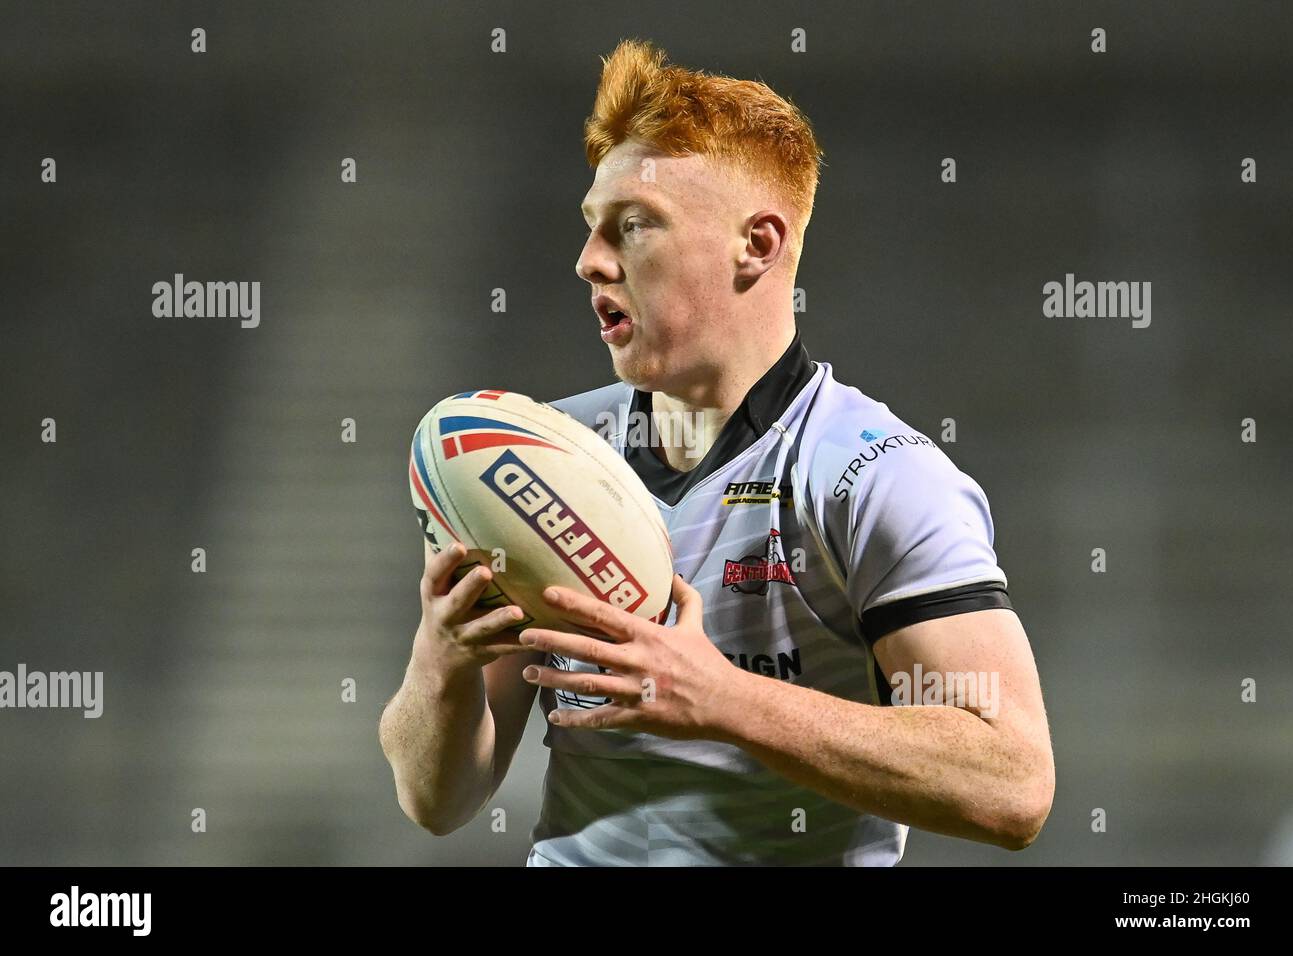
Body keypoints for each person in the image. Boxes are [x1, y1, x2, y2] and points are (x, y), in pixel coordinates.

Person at [380, 39, 1054, 865]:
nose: (590, 260)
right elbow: (436, 799)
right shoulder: (539, 462)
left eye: (634, 225)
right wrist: (442, 660)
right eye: (592, 228)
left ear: (758, 246)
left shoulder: (869, 474)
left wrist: (720, 698)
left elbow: (1012, 783)